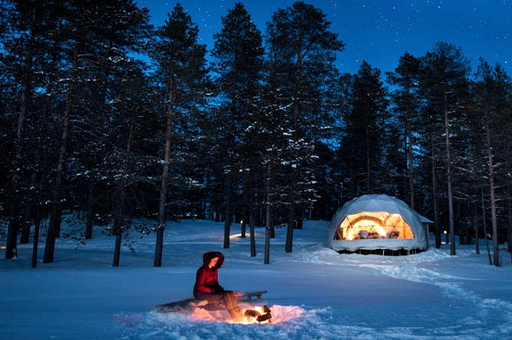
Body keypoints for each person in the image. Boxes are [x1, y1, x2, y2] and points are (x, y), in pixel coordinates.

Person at [193, 251, 244, 321]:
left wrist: (219, 288)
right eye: (214, 261)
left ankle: (238, 313)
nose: (215, 262)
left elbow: (215, 283)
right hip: (201, 294)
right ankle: (235, 317)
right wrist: (212, 290)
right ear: (208, 260)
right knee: (225, 296)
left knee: (230, 293)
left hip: (211, 293)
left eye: (217, 261)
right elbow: (199, 287)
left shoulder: (214, 270)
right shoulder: (202, 271)